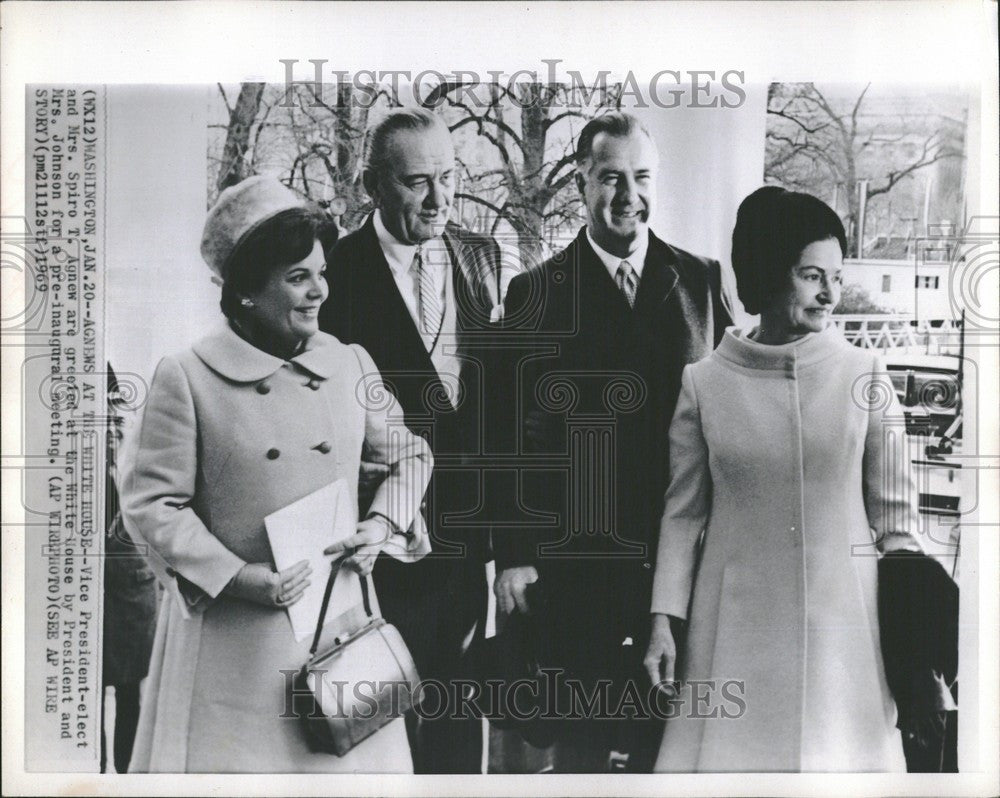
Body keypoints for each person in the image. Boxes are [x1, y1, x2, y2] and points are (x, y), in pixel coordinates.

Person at [121, 176, 432, 772]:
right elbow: (152, 505)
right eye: (298, 278)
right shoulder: (187, 377)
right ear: (245, 292)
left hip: (337, 636)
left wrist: (380, 525)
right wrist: (238, 577)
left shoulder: (347, 363)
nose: (320, 291)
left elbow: (412, 455)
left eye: (320, 272)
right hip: (235, 647)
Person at [644, 185, 925, 772]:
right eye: (810, 275)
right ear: (771, 273)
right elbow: (682, 514)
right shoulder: (705, 383)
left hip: (845, 631)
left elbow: (897, 519)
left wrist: (914, 620)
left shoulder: (865, 373)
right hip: (734, 632)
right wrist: (662, 622)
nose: (829, 293)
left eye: (836, 275)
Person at [493, 112, 734, 772]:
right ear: (580, 183)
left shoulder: (701, 282)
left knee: (671, 750)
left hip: (677, 561)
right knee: (582, 752)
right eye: (610, 178)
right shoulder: (535, 293)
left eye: (641, 177)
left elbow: (733, 412)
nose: (628, 195)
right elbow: (508, 434)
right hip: (578, 569)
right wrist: (514, 552)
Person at [318, 107, 506, 774]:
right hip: (384, 540)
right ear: (373, 184)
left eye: (449, 177)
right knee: (382, 723)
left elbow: (497, 402)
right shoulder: (335, 272)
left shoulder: (481, 256)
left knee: (457, 714)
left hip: (467, 537)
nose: (440, 198)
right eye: (418, 182)